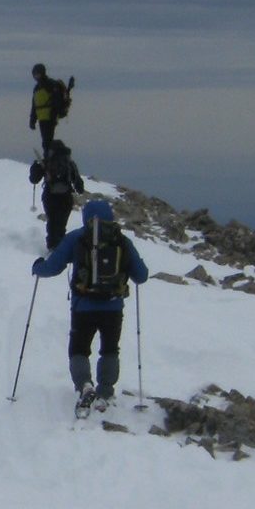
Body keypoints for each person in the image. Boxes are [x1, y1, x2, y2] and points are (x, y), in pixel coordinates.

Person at [31, 199, 149, 410]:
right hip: (113, 307)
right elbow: (142, 275)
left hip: (83, 306)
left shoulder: (76, 238)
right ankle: (105, 393)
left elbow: (53, 267)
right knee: (110, 349)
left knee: (79, 349)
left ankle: (84, 385)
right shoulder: (121, 240)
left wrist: (38, 267)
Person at [28, 139, 85, 251]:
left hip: (50, 197)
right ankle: (61, 249)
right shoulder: (69, 163)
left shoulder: (46, 162)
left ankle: (52, 249)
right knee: (61, 225)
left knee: (52, 223)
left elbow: (34, 179)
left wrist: (35, 168)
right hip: (66, 197)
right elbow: (80, 187)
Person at [29, 63, 66, 153]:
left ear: (42, 73)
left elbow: (56, 99)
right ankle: (48, 155)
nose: (36, 76)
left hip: (50, 116)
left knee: (47, 139)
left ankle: (49, 156)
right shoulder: (37, 88)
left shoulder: (50, 84)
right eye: (35, 74)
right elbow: (35, 105)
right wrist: (32, 120)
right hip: (42, 118)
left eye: (38, 74)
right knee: (45, 139)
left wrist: (56, 112)